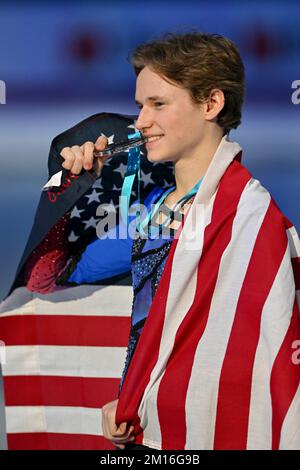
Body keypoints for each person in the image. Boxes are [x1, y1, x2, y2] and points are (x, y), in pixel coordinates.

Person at [24, 32, 299, 450]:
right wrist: (75, 189)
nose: (140, 121)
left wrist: (146, 401)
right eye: (140, 105)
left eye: (158, 104)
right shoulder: (150, 214)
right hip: (145, 433)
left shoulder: (255, 221)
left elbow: (262, 363)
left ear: (211, 104)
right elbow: (45, 278)